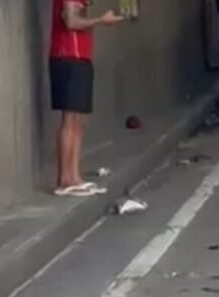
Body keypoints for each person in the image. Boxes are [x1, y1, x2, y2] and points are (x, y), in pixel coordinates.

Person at [49, 0, 123, 197]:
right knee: (70, 119)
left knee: (79, 120)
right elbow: (70, 22)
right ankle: (65, 180)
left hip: (80, 57)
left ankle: (74, 177)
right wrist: (101, 20)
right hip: (68, 56)